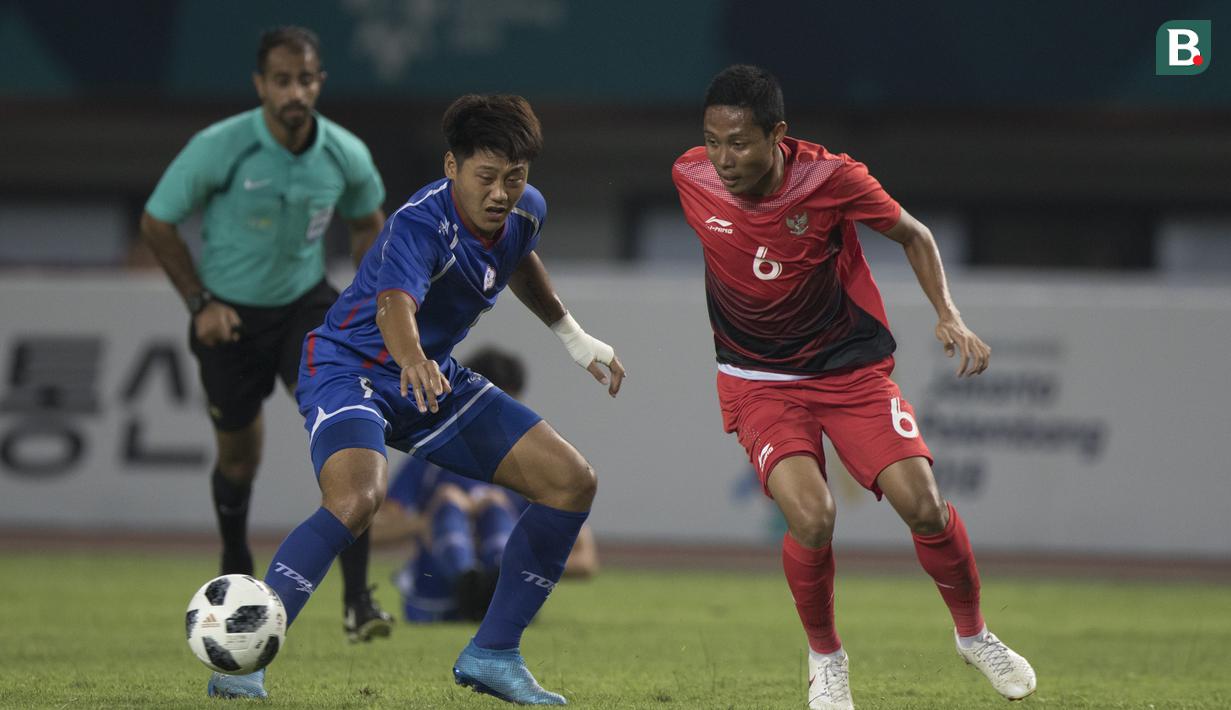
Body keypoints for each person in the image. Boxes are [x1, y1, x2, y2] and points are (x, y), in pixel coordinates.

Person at [206, 93, 625, 702]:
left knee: (571, 482)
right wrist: (411, 360)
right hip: (350, 368)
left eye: (514, 177)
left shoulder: (526, 210)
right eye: (486, 176)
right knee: (357, 498)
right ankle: (244, 661)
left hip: (430, 377)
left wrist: (573, 337)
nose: (501, 193)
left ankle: (493, 653)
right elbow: (393, 305)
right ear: (452, 166)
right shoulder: (420, 223)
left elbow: (518, 258)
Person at [671, 65, 1036, 709]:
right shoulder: (690, 176)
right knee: (812, 518)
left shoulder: (831, 178)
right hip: (759, 381)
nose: (723, 159)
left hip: (848, 369)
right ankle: (826, 658)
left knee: (923, 506)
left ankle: (974, 635)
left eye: (740, 143)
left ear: (777, 135)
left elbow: (915, 235)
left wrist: (948, 315)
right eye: (713, 141)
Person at [140, 26, 394, 644]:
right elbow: (157, 222)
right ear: (260, 85)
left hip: (306, 309)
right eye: (282, 80)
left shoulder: (344, 153)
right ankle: (234, 567)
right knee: (239, 457)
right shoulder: (220, 147)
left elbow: (369, 221)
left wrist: (360, 301)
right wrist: (200, 302)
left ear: (319, 83)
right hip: (227, 316)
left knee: (347, 437)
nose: (294, 92)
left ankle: (357, 601)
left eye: (305, 80)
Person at [372, 346, 599, 624]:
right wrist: (425, 524)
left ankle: (496, 579)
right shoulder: (431, 459)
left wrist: (522, 557)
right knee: (450, 505)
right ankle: (469, 581)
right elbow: (373, 532)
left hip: (498, 598)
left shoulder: (531, 464)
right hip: (435, 603)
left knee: (495, 510)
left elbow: (585, 559)